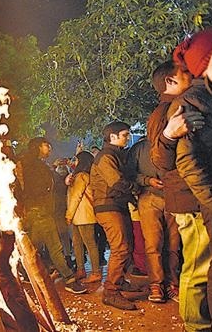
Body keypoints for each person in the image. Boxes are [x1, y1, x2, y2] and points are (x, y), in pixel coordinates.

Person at [156, 28, 212, 331]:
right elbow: (172, 160)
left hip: (211, 197)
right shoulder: (190, 103)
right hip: (203, 199)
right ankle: (202, 326)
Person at [148, 59, 211, 330]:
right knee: (197, 266)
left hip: (190, 198)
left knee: (201, 264)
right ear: (170, 82)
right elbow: (160, 159)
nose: (194, 73)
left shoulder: (172, 107)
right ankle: (196, 325)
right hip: (189, 199)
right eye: (186, 72)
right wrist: (170, 135)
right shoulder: (168, 112)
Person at [17, 137, 87, 294]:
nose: (49, 149)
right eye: (46, 145)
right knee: (55, 247)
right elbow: (39, 187)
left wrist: (62, 181)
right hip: (39, 211)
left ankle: (23, 271)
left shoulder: (35, 164)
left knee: (32, 245)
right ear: (37, 147)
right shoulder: (33, 165)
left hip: (36, 210)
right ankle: (69, 279)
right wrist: (59, 184)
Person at [90, 121, 139, 310]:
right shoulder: (106, 156)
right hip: (107, 206)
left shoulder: (116, 154)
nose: (127, 138)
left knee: (127, 245)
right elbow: (116, 181)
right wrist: (135, 189)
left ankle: (119, 281)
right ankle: (111, 291)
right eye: (125, 135)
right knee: (120, 247)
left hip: (117, 205)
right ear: (112, 137)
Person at [127, 136, 180, 303]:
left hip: (174, 197)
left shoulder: (177, 143)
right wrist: (147, 180)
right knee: (153, 243)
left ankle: (172, 283)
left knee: (174, 243)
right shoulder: (139, 148)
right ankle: (156, 284)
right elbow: (129, 173)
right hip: (149, 197)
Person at [65, 151, 101, 284]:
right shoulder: (83, 176)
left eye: (77, 160)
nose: (75, 162)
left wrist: (69, 215)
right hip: (79, 216)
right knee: (78, 244)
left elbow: (76, 197)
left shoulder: (81, 176)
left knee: (89, 244)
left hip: (82, 215)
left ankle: (96, 272)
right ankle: (81, 270)